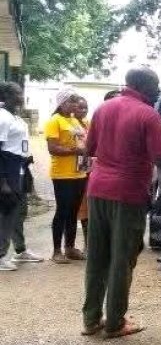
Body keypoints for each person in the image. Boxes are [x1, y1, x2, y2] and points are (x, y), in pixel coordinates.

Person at [82, 67, 161, 339]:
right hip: (129, 193)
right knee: (122, 258)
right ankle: (115, 323)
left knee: (97, 256)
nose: (158, 91)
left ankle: (90, 320)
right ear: (146, 87)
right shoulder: (149, 114)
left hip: (97, 189)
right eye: (156, 86)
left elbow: (89, 149)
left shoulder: (103, 108)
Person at [0, 81, 43, 270]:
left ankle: (20, 250)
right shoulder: (2, 117)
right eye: (17, 93)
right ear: (6, 96)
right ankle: (1, 255)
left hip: (20, 168)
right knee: (6, 213)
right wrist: (3, 182)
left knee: (19, 210)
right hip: (7, 171)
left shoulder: (15, 117)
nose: (21, 96)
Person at [44, 89, 88, 264]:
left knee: (73, 211)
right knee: (62, 211)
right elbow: (52, 148)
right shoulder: (55, 121)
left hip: (79, 173)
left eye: (76, 101)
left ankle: (70, 247)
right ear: (62, 103)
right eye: (71, 101)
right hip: (62, 174)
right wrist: (74, 150)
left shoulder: (74, 120)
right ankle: (56, 251)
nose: (75, 104)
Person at [73, 97, 92, 250]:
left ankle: (88, 244)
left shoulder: (87, 123)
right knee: (81, 207)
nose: (84, 111)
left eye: (86, 108)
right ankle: (83, 245)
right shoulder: (71, 124)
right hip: (75, 171)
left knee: (87, 206)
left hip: (88, 169)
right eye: (80, 108)